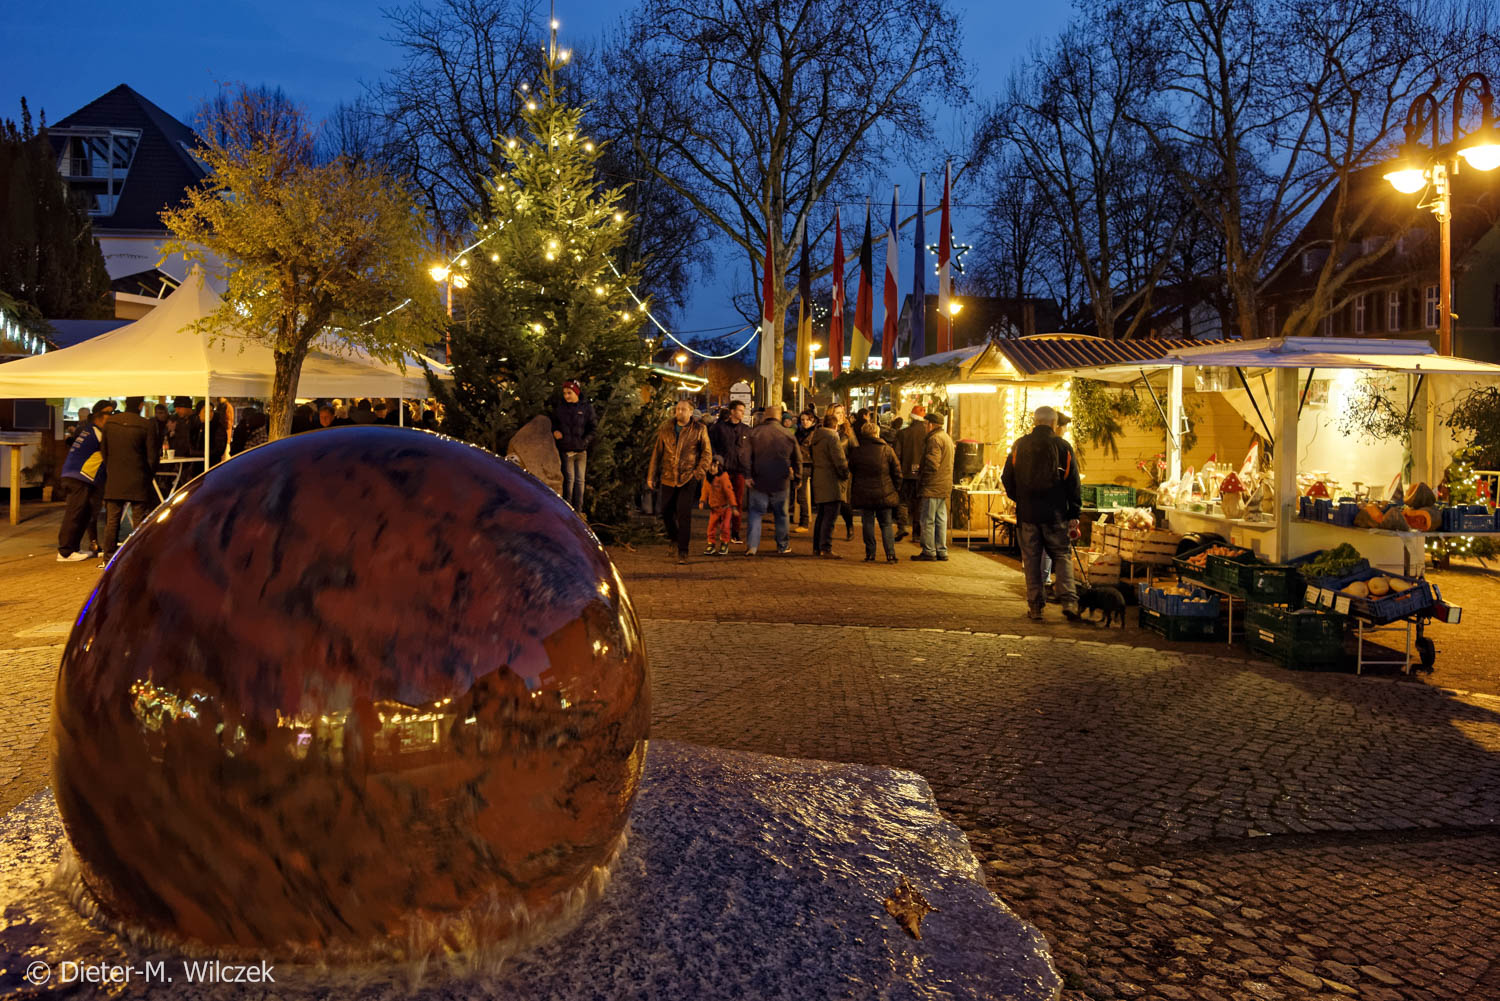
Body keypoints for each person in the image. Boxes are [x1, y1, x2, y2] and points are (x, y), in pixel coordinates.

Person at [1001, 406, 1083, 621]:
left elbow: (1007, 477)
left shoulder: (1020, 445)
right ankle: (1069, 601)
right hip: (1056, 515)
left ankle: (1036, 607)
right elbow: (1074, 483)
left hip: (1028, 515)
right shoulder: (1063, 447)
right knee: (1062, 555)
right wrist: (1074, 512)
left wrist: (1020, 499)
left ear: (1035, 422)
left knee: (1032, 560)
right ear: (1054, 423)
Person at [647, 399, 714, 565]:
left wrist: (698, 473)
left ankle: (683, 550)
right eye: (678, 409)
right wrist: (651, 475)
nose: (679, 412)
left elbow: (706, 453)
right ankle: (674, 538)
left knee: (684, 514)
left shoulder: (699, 429)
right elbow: (657, 453)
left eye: (683, 409)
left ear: (691, 412)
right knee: (666, 511)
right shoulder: (666, 429)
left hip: (688, 477)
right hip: (668, 477)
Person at [99, 396, 159, 562]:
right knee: (138, 520)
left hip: (115, 478)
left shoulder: (110, 423)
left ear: (126, 403)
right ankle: (137, 556)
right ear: (140, 405)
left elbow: (104, 450)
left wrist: (111, 469)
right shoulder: (146, 425)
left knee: (112, 520)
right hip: (138, 477)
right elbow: (152, 456)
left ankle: (108, 557)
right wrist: (148, 475)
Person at [56, 400, 114, 561]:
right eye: (109, 413)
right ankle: (65, 551)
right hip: (79, 477)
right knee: (74, 513)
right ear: (98, 416)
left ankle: (73, 548)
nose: (111, 417)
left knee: (83, 513)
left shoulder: (88, 430)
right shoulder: (96, 432)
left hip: (78, 476)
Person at [745, 404, 799, 556]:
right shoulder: (788, 434)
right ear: (779, 417)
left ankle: (752, 546)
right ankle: (783, 545)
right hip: (781, 480)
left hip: (758, 479)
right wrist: (798, 477)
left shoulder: (754, 433)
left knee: (755, 512)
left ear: (765, 416)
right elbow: (797, 458)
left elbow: (746, 456)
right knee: (781, 514)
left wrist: (748, 475)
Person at [850, 420, 903, 563]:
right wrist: (895, 488)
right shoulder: (887, 450)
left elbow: (852, 469)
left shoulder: (857, 451)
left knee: (867, 523)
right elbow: (897, 472)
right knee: (886, 524)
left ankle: (870, 554)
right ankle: (890, 554)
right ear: (877, 433)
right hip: (885, 492)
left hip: (864, 493)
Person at [912, 411, 954, 562]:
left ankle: (929, 551)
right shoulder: (946, 437)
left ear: (931, 425)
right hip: (944, 484)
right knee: (940, 519)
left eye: (925, 424)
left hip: (933, 485)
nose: (924, 427)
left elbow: (932, 464)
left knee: (927, 519)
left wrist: (923, 479)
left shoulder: (934, 439)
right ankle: (941, 550)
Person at [709, 400, 752, 543]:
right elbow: (711, 445)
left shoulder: (745, 430)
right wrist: (716, 460)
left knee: (737, 502)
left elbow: (748, 450)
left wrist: (748, 470)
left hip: (739, 470)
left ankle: (735, 532)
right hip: (724, 470)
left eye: (743, 411)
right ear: (732, 411)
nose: (742, 413)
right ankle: (724, 530)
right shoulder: (719, 428)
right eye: (740, 410)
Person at [552, 379, 598, 512]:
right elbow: (554, 423)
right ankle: (568, 510)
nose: (566, 396)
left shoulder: (586, 408)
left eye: (569, 393)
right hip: (567, 450)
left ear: (576, 392)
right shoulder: (561, 408)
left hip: (581, 450)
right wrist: (555, 431)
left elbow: (593, 428)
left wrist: (585, 442)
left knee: (580, 481)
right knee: (569, 480)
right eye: (564, 393)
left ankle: (578, 510)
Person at [808, 413, 850, 558]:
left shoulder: (816, 437)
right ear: (835, 425)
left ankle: (817, 547)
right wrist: (845, 474)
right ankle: (825, 547)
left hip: (819, 478)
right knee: (830, 517)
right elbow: (839, 459)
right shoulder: (832, 438)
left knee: (821, 515)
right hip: (831, 480)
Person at [895, 405, 930, 542]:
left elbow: (897, 454)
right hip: (921, 474)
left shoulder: (903, 433)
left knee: (903, 501)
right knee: (918, 504)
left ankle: (902, 527)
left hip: (906, 473)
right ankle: (917, 534)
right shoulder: (928, 434)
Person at [698, 457, 737, 555]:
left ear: (719, 467)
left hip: (725, 508)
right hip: (714, 508)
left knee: (725, 527)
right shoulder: (708, 478)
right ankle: (711, 544)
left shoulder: (723, 478)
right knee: (711, 526)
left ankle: (725, 542)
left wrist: (733, 506)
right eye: (710, 466)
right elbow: (705, 490)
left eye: (714, 466)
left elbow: (729, 492)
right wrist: (702, 500)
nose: (712, 468)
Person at [828, 402, 855, 540]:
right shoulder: (826, 431)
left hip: (844, 471)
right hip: (828, 470)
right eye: (837, 413)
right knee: (829, 502)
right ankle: (829, 530)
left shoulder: (848, 432)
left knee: (844, 502)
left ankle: (850, 526)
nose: (840, 416)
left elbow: (855, 450)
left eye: (842, 413)